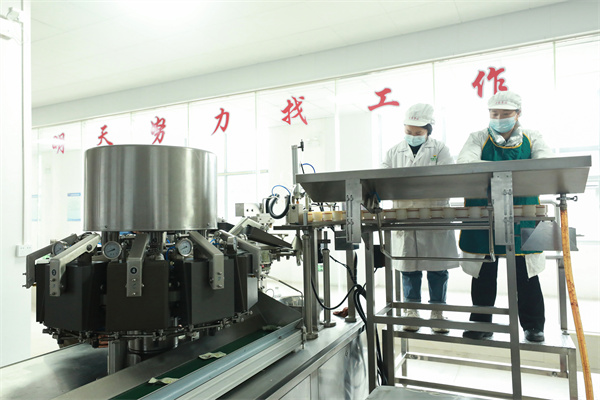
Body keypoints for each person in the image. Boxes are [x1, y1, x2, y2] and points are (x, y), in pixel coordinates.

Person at [457, 90, 553, 342]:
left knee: (526, 274)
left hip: (524, 214)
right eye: (494, 113)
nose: (499, 118)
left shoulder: (533, 137)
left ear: (518, 114)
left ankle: (534, 326)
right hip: (485, 215)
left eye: (505, 113)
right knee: (484, 273)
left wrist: (498, 171)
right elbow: (466, 163)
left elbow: (544, 164)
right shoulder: (478, 137)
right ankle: (481, 323)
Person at [382, 103, 459, 333]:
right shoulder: (393, 152)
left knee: (437, 268)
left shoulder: (440, 149)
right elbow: (382, 179)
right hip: (405, 217)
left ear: (428, 131)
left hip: (434, 216)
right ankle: (411, 310)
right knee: (409, 267)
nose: (413, 136)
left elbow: (448, 178)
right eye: (409, 132)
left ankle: (437, 311)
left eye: (418, 133)